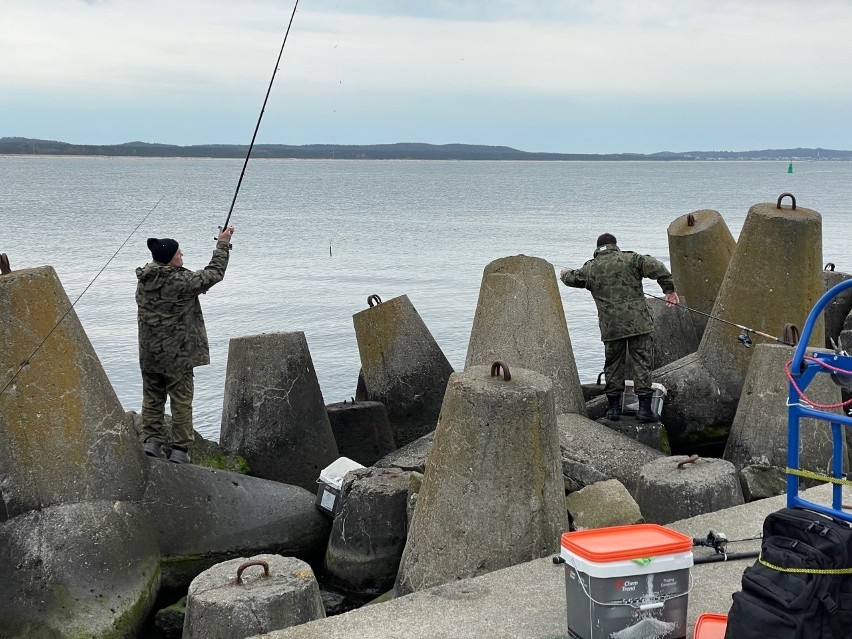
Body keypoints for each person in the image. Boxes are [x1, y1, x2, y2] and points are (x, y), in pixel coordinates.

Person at [136, 226, 235, 463]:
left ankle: (152, 442)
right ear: (171, 259)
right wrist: (223, 244)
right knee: (181, 401)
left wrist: (194, 290)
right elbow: (214, 273)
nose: (183, 256)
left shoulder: (144, 281)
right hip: (177, 356)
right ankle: (180, 450)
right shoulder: (181, 280)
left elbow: (183, 287)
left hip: (149, 354)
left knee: (152, 399)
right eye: (180, 254)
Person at [559, 232, 678, 423]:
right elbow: (657, 267)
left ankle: (613, 410)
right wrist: (669, 290)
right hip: (639, 325)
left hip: (611, 329)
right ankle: (645, 409)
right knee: (642, 364)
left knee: (613, 366)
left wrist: (563, 273)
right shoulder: (631, 259)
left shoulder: (591, 268)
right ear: (615, 245)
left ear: (598, 248)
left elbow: (572, 279)